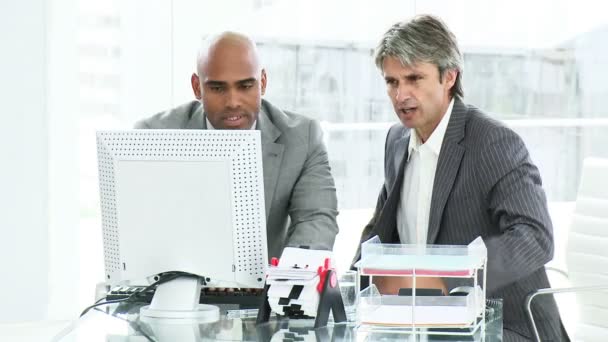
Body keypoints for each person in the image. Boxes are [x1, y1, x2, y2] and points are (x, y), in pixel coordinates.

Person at [351, 15, 568, 341]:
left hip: (504, 325)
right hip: (425, 319)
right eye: (392, 82)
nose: (401, 95)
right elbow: (381, 227)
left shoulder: (492, 142)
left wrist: (447, 280)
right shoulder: (397, 140)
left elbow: (535, 236)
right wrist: (346, 289)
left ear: (449, 76)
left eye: (414, 79)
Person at [135, 32, 339, 259]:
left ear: (262, 82)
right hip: (179, 283)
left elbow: (316, 222)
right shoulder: (153, 136)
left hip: (268, 288)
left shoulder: (302, 138)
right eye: (218, 88)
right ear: (197, 87)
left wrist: (287, 283)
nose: (233, 102)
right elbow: (141, 226)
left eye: (245, 86)